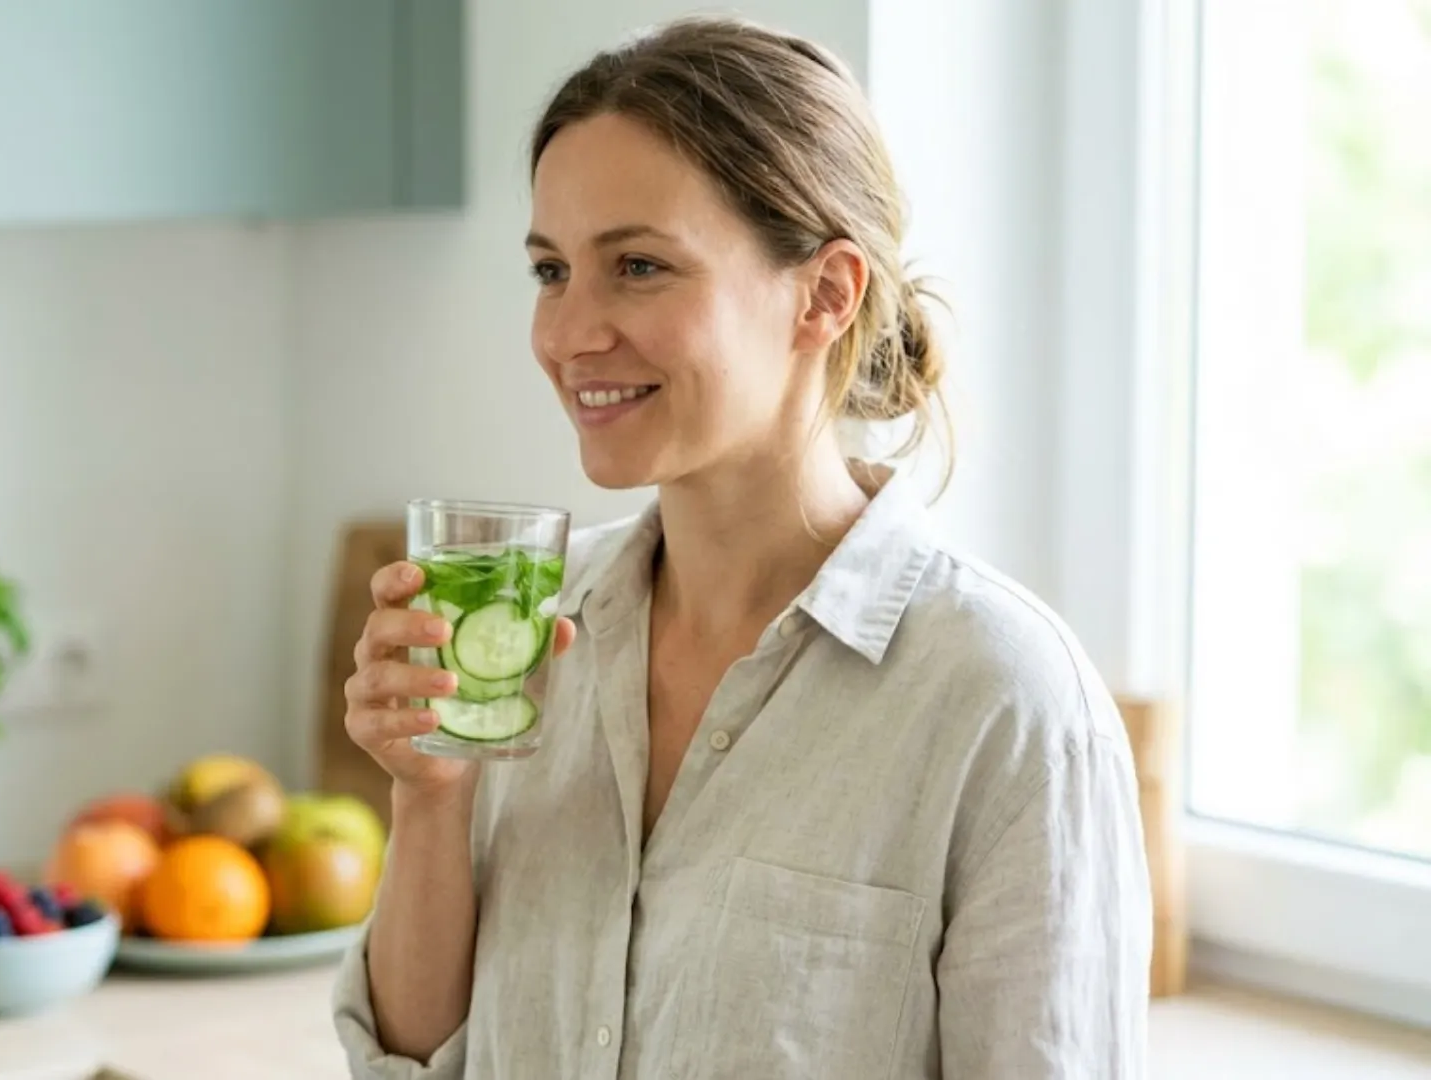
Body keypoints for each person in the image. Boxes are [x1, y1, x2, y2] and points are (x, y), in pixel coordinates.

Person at [331, 15, 1151, 1079]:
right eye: (549, 271)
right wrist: (430, 798)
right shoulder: (528, 635)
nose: (570, 333)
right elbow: (411, 1058)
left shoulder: (1002, 703)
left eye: (637, 266)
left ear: (825, 294)